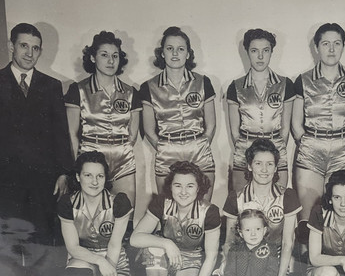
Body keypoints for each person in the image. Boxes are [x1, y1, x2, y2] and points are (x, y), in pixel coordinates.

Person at [0, 23, 73, 246]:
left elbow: (61, 133)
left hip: (43, 179)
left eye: (35, 48)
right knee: (9, 243)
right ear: (11, 46)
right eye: (24, 45)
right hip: (6, 179)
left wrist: (63, 173)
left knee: (41, 239)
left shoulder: (51, 86)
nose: (29, 53)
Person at [130, 161, 220, 276]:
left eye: (190, 186)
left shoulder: (209, 211)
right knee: (153, 247)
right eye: (178, 185)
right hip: (164, 257)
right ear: (170, 187)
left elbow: (211, 258)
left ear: (199, 188)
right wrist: (166, 243)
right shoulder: (162, 203)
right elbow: (135, 238)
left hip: (190, 261)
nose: (183, 192)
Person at [292, 23, 345, 240]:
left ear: (343, 46)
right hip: (311, 149)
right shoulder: (303, 80)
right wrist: (309, 143)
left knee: (339, 215)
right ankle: (306, 269)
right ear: (316, 47)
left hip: (342, 149)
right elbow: (296, 124)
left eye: (336, 44)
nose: (331, 49)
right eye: (325, 44)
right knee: (309, 217)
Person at [222, 138, 301, 276]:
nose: (264, 170)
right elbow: (229, 242)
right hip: (244, 262)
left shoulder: (287, 196)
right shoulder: (236, 198)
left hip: (276, 263)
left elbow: (288, 242)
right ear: (249, 166)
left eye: (269, 164)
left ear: (275, 167)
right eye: (258, 163)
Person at [65, 31, 141, 207]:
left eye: (115, 56)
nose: (111, 61)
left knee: (125, 212)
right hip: (90, 158)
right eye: (104, 55)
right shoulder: (78, 90)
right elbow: (71, 132)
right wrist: (78, 165)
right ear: (92, 58)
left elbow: (133, 135)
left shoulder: (131, 92)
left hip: (123, 161)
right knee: (90, 216)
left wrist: (120, 150)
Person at [58, 151, 133, 276]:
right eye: (88, 175)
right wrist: (99, 261)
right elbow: (73, 247)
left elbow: (115, 244)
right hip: (84, 260)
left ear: (105, 178)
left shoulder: (119, 202)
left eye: (100, 176)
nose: (94, 181)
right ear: (78, 177)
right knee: (76, 275)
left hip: (115, 263)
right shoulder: (67, 203)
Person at [139, 27, 216, 198]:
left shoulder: (203, 82)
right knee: (169, 211)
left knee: (202, 208)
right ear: (162, 53)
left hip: (199, 150)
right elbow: (149, 130)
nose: (175, 53)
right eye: (169, 48)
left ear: (188, 54)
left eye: (181, 49)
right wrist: (164, 147)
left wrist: (200, 145)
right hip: (167, 151)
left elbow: (211, 125)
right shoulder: (148, 87)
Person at [226, 28, 295, 192]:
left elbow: (285, 129)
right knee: (243, 205)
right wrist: (244, 147)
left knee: (277, 203)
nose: (260, 56)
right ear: (247, 52)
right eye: (254, 51)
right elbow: (234, 131)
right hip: (245, 149)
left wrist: (276, 150)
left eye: (265, 50)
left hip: (275, 147)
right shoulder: (235, 86)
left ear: (271, 52)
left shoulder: (285, 84)